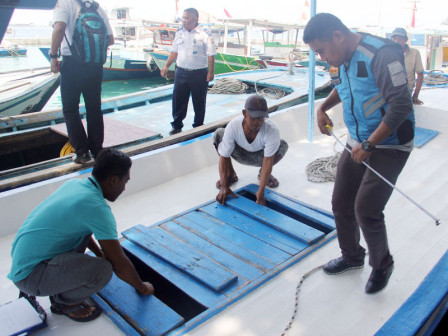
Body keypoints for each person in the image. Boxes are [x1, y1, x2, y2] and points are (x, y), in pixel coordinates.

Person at [303, 13, 415, 294]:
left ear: (338, 36)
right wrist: (322, 108)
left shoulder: (382, 54)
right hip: (358, 140)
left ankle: (382, 264)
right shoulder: (340, 58)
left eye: (321, 50)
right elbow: (342, 88)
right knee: (341, 201)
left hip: (390, 142)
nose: (322, 57)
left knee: (366, 207)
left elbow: (400, 105)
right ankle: (352, 257)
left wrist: (369, 145)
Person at [8, 148, 154, 322]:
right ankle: (63, 303)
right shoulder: (97, 208)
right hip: (30, 276)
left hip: (24, 261)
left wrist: (101, 254)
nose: (124, 188)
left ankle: (56, 286)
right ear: (114, 180)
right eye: (125, 182)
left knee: (89, 239)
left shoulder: (76, 184)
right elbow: (119, 263)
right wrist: (141, 287)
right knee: (103, 270)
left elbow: (85, 233)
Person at [50, 0, 115, 164]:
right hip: (95, 65)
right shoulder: (96, 7)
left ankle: (82, 153)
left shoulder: (64, 4)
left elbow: (59, 29)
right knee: (94, 108)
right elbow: (111, 39)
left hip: (72, 63)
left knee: (71, 110)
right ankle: (97, 149)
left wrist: (53, 57)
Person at [214, 94, 288, 206]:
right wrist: (224, 186)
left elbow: (268, 160)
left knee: (282, 145)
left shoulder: (271, 130)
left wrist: (261, 192)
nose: (258, 121)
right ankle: (230, 175)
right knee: (219, 134)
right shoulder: (233, 125)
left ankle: (263, 174)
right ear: (244, 113)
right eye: (254, 117)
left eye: (261, 117)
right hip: (238, 153)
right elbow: (224, 156)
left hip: (260, 158)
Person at [160, 8, 216, 136]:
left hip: (199, 73)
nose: (184, 20)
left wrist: (211, 72)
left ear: (195, 19)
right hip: (181, 72)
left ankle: (198, 126)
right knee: (178, 99)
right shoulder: (179, 33)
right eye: (183, 18)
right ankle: (177, 125)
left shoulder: (205, 34)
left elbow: (211, 55)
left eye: (186, 18)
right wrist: (166, 66)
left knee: (199, 101)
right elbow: (174, 51)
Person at [391, 27, 424, 105]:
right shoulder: (388, 54)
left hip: (406, 90)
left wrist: (415, 96)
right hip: (391, 90)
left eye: (400, 39)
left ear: (406, 39)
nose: (396, 41)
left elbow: (420, 75)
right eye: (394, 39)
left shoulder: (415, 53)